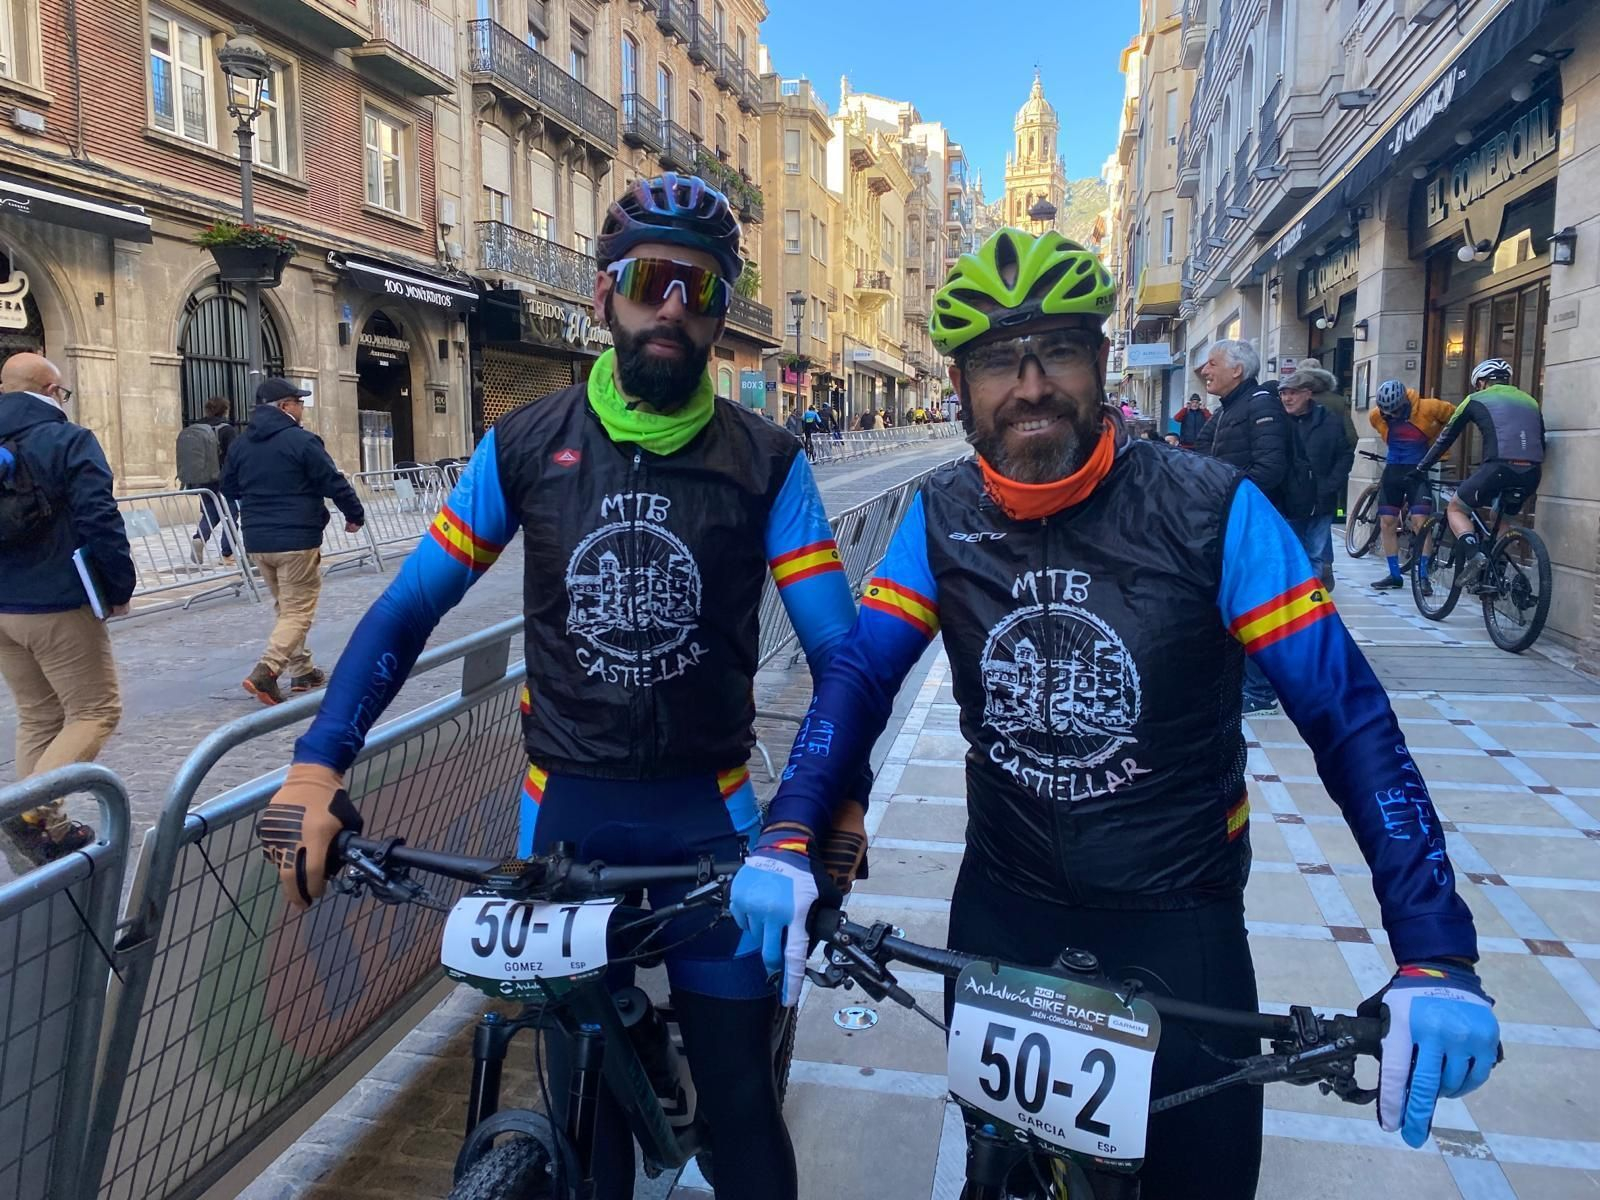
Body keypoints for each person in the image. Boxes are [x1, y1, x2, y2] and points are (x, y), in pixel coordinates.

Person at [729, 228, 1501, 1200]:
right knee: (997, 1171)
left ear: (1099, 363)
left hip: (1177, 920)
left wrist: (1433, 947)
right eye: (994, 363)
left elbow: (1348, 719)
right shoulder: (938, 514)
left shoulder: (1214, 509)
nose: (1029, 384)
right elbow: (857, 680)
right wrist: (790, 830)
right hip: (1005, 907)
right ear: (960, 389)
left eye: (1053, 350)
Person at [253, 174, 867, 1200]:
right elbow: (407, 610)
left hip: (710, 821)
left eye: (701, 289)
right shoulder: (524, 445)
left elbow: (839, 654)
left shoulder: (770, 462)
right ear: (603, 299)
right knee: (589, 1111)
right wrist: (318, 766)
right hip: (564, 817)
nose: (673, 304)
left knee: (741, 1115)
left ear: (720, 317)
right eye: (649, 279)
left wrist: (835, 803)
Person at [0, 352, 134, 864]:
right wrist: (119, 583)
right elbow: (100, 517)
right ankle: (30, 811)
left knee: (38, 714)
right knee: (95, 711)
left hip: (3, 605)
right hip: (56, 600)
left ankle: (46, 831)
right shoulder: (68, 439)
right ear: (52, 390)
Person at [222, 377, 365, 705]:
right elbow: (332, 480)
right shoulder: (302, 442)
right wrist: (354, 514)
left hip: (258, 540)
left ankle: (302, 670)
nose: (302, 407)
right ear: (285, 406)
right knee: (298, 610)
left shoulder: (241, 445)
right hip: (296, 538)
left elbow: (228, 488)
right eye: (298, 402)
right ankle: (267, 671)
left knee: (286, 608)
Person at [1196, 339, 1289, 713]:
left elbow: (1270, 470)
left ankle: (1261, 691)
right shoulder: (1224, 411)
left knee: (1255, 607)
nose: (1205, 370)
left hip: (1253, 523)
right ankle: (1237, 682)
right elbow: (1201, 457)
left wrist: (1222, 495)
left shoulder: (1259, 404)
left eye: (1213, 363)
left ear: (1237, 370)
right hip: (1231, 522)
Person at [1413, 357, 1545, 588]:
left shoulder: (1474, 399)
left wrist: (1421, 467)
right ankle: (1497, 576)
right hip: (1532, 472)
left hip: (1498, 468)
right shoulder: (1531, 401)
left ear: (1482, 382)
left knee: (1456, 507)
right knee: (1500, 518)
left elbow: (1446, 437)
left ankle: (1475, 555)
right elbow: (1541, 441)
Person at [1367, 379, 1455, 592]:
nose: (1391, 415)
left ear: (1404, 401)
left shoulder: (1429, 408)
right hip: (1393, 471)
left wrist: (1440, 445)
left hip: (1419, 471)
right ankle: (1394, 574)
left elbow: (1456, 415)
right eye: (1387, 411)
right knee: (1387, 522)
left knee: (1420, 522)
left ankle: (1423, 575)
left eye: (1395, 410)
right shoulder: (1376, 416)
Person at [1279, 371, 1354, 590]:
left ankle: (1311, 599)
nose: (1287, 398)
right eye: (1283, 393)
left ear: (1307, 394)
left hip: (1321, 498)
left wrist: (1331, 485)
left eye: (1292, 393)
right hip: (1288, 498)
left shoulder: (1327, 419)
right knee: (1292, 551)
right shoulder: (1278, 420)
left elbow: (1345, 453)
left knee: (1316, 552)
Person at [178, 395, 239, 564]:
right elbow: (232, 456)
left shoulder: (195, 428)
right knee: (231, 514)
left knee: (210, 513)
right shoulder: (227, 430)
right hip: (223, 479)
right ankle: (227, 554)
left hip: (202, 479)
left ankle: (200, 538)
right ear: (225, 410)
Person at [1297, 356, 1359, 449]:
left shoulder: (1293, 400)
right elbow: (1351, 436)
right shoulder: (1338, 401)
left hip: (1300, 454)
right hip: (1331, 454)